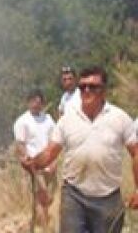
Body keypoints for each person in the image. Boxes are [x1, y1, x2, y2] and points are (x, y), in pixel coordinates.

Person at [24, 67, 138, 233]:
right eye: (83, 87)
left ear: (104, 90)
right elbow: (50, 153)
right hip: (74, 196)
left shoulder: (119, 118)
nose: (86, 91)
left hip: (108, 199)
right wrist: (33, 162)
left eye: (93, 87)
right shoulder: (67, 120)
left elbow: (135, 152)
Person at [15, 89, 57, 230]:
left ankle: (46, 225)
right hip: (34, 166)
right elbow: (21, 144)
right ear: (28, 102)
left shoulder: (48, 119)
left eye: (38, 102)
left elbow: (54, 141)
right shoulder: (22, 121)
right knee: (40, 198)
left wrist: (54, 162)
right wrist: (28, 161)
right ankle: (42, 228)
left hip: (49, 164)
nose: (36, 104)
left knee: (50, 198)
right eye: (33, 101)